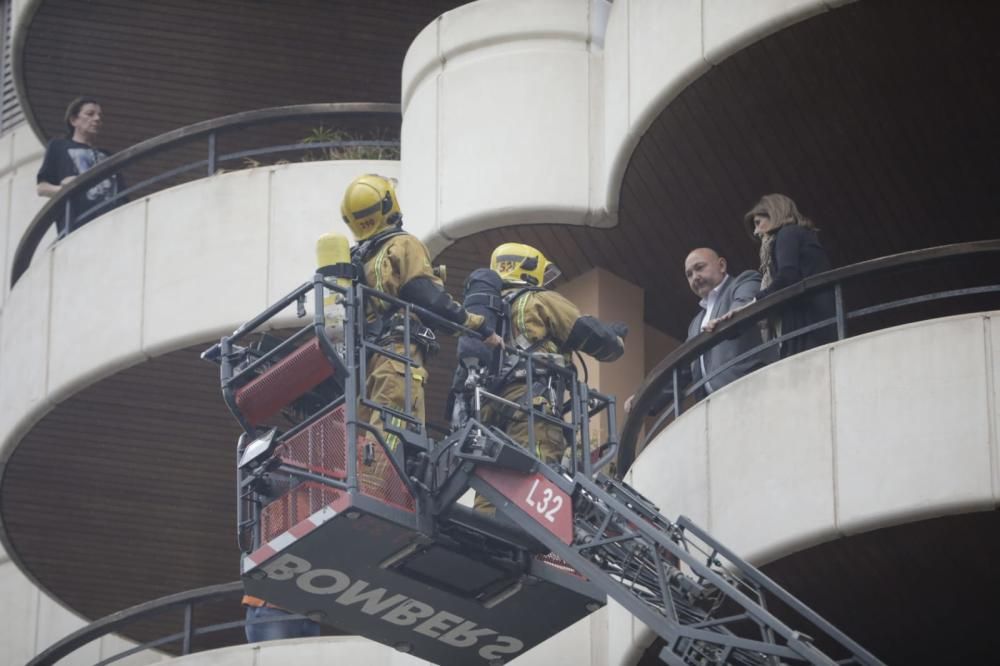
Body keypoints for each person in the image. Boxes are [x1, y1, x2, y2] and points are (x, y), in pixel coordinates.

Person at [341, 174, 501, 486]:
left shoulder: (358, 259)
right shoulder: (402, 244)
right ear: (388, 203)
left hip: (365, 364)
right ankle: (377, 491)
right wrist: (479, 327)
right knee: (393, 422)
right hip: (396, 356)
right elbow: (430, 299)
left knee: (367, 432)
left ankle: (365, 486)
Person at [473, 243, 627, 514]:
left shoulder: (488, 310)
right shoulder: (538, 300)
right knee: (536, 467)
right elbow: (587, 334)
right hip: (531, 405)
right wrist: (614, 337)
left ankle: (484, 534)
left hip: (488, 408)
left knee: (492, 478)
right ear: (529, 268)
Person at [624, 247, 772, 415]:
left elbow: (744, 306)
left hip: (749, 391)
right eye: (689, 274)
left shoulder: (743, 282)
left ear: (721, 265)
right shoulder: (696, 324)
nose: (695, 277)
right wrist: (644, 399)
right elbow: (682, 370)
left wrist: (725, 320)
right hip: (711, 409)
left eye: (699, 268)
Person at [742, 194, 835, 357]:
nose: (756, 232)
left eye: (758, 223)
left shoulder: (787, 233)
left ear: (775, 213)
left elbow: (787, 276)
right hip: (818, 322)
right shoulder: (800, 234)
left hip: (807, 325)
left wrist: (756, 302)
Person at [36, 96, 124, 235]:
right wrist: (65, 189)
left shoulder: (108, 156)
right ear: (74, 120)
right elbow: (42, 188)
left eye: (99, 115)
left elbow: (122, 196)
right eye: (90, 114)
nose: (97, 119)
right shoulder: (59, 147)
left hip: (110, 227)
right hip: (76, 227)